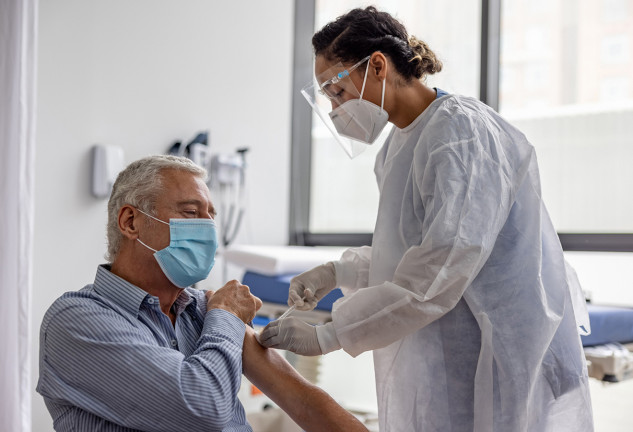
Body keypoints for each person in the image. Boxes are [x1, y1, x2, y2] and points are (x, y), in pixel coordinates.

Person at [260, 6, 594, 432]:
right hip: (450, 347)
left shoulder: (461, 134)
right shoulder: (397, 147)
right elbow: (407, 251)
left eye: (337, 91)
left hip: (501, 350)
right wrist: (337, 270)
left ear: (377, 65)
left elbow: (440, 269)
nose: (334, 108)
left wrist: (330, 335)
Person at [36, 155, 367, 432]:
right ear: (131, 221)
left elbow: (303, 400)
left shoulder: (200, 309)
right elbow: (201, 408)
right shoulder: (76, 321)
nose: (208, 228)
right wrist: (226, 316)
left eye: (211, 216)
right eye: (191, 213)